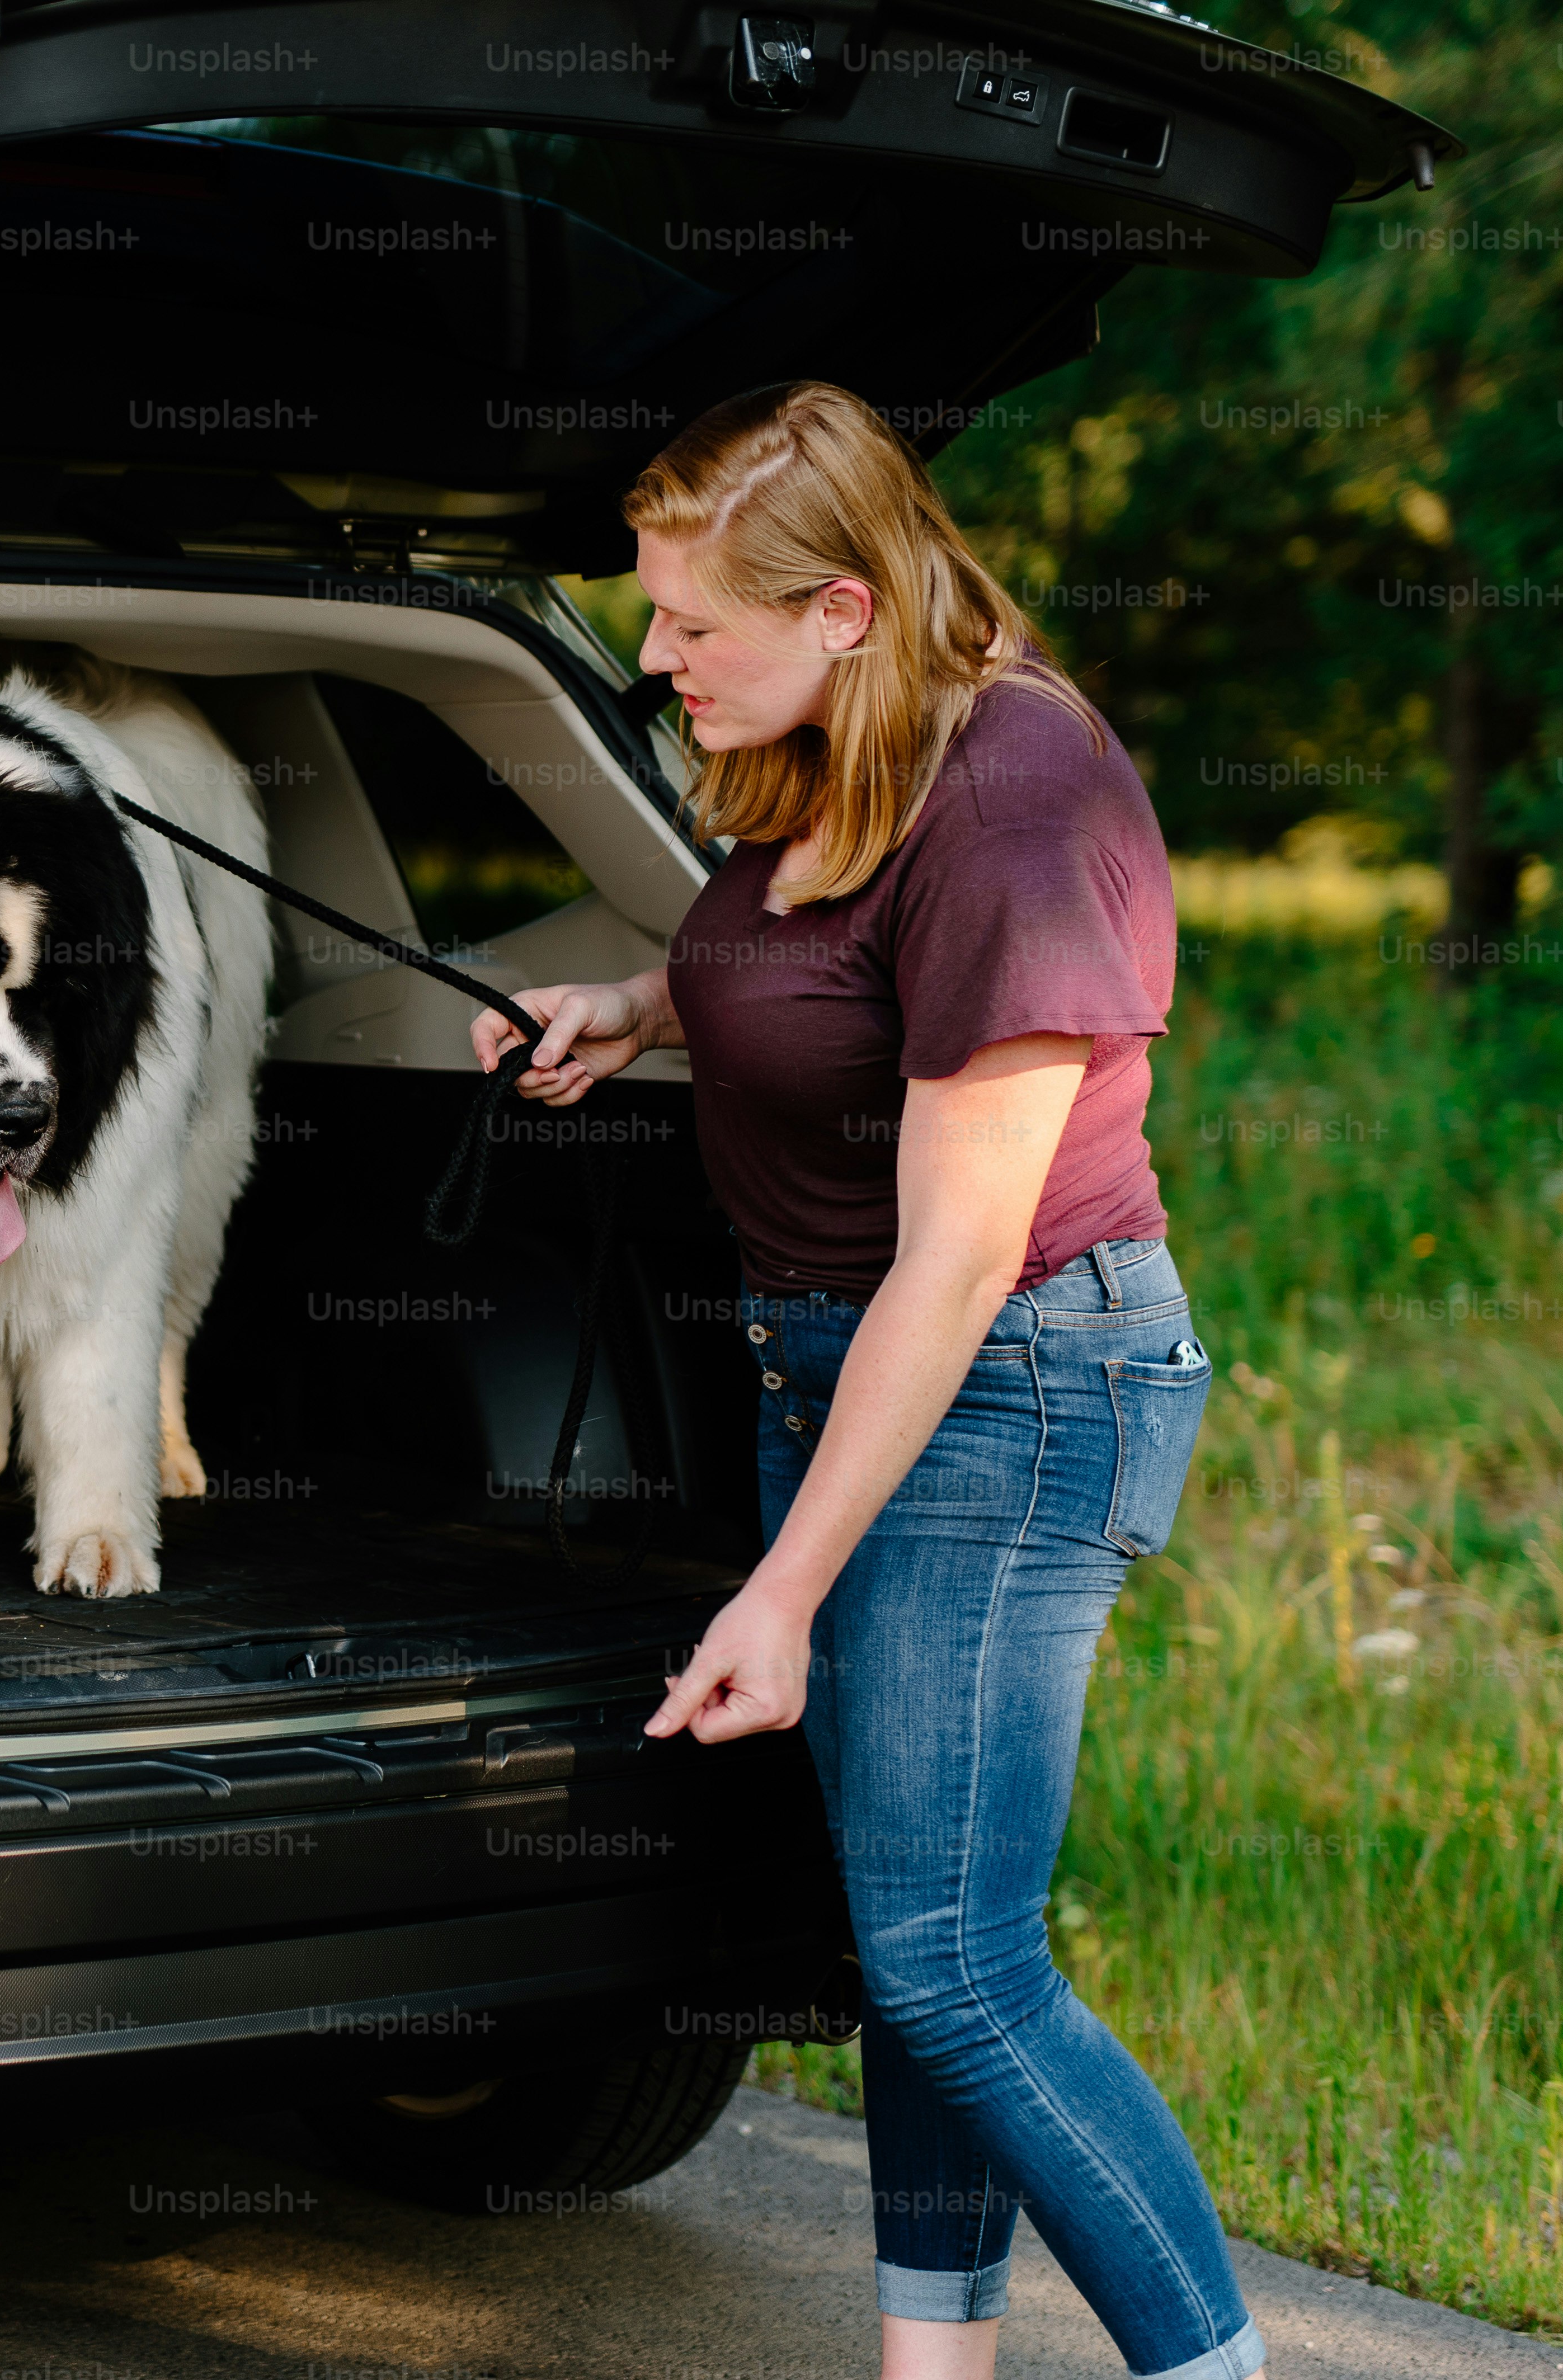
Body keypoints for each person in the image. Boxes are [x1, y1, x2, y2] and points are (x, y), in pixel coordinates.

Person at [472, 383, 1244, 2380]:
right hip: (850, 1370)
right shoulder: (846, 740)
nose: (651, 662)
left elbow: (965, 1255)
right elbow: (801, 969)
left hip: (1012, 1383)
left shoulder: (1016, 803)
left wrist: (779, 1594)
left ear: (835, 605)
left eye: (683, 629)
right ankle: (933, 2368)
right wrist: (629, 1010)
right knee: (915, 1956)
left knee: (960, 1967)